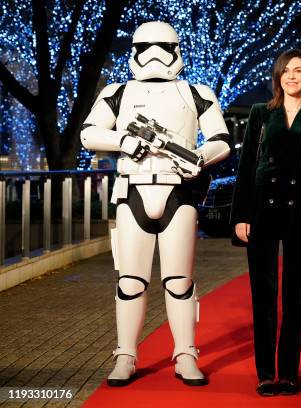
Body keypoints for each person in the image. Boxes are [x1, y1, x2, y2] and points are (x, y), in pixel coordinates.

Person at [80, 21, 231, 386]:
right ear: (133, 50)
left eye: (162, 47)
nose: (154, 55)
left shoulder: (195, 92)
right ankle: (126, 354)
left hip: (178, 191)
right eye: (145, 46)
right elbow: (89, 133)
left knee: (179, 281)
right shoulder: (118, 92)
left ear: (177, 50)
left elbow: (221, 139)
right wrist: (124, 142)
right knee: (130, 280)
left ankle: (185, 352)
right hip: (132, 190)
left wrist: (198, 156)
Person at [230, 49, 301, 397]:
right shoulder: (261, 113)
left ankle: (288, 372)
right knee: (263, 295)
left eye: (299, 70)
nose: (292, 76)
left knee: (295, 296)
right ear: (277, 77)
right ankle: (265, 373)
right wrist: (241, 215)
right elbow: (246, 165)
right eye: (286, 71)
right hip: (262, 208)